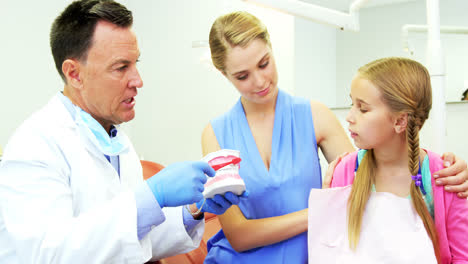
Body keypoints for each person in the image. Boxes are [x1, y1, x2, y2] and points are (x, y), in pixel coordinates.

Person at [201, 11, 468, 263]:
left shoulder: (315, 115)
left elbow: (375, 165)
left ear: (272, 49)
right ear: (224, 74)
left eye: (264, 63)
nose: (259, 81)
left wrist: (443, 166)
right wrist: (325, 210)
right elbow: (239, 236)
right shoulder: (215, 134)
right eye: (242, 76)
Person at [0, 1, 244, 263]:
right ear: (74, 74)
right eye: (121, 67)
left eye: (135, 63)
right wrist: (151, 196)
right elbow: (46, 255)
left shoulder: (116, 142)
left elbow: (132, 239)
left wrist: (192, 211)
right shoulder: (34, 146)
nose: (138, 80)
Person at [308, 57, 468, 263]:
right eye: (351, 104)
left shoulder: (445, 177)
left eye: (363, 109)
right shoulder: (344, 171)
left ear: (400, 121)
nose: (350, 116)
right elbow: (330, 252)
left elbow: (462, 257)